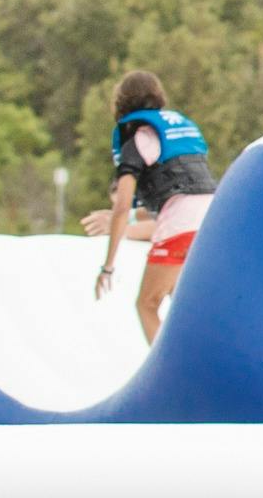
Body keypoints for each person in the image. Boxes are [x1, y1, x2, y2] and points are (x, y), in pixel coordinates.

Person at [83, 70, 213, 343]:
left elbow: (121, 207)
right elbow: (175, 198)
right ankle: (199, 366)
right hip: (212, 221)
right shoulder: (175, 130)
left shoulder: (137, 140)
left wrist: (108, 266)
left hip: (180, 227)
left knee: (147, 304)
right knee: (178, 304)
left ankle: (173, 381)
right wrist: (128, 215)